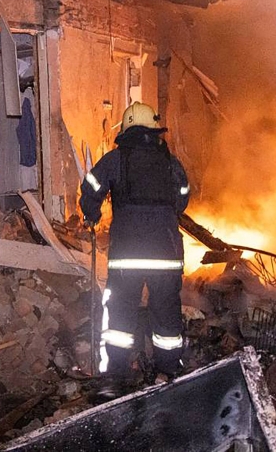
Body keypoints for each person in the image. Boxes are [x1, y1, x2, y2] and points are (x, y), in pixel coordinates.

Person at [79, 102, 190, 389]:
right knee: (165, 311)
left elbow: (91, 186)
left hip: (127, 256)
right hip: (166, 254)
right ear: (154, 129)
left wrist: (92, 214)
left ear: (126, 129)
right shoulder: (169, 161)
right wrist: (167, 215)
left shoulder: (116, 159)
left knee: (121, 311)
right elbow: (183, 194)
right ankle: (167, 373)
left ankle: (116, 374)